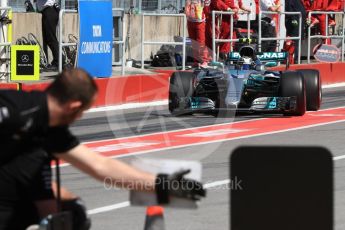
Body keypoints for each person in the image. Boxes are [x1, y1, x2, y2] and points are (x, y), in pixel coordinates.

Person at [0, 68, 206, 229]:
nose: (79, 118)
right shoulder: (15, 109)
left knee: (72, 213)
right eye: (82, 112)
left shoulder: (50, 131)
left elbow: (99, 165)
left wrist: (162, 184)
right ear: (74, 106)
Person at [35, 0, 60, 71]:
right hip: (46, 11)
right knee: (46, 39)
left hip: (50, 10)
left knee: (51, 39)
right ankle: (54, 61)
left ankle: (58, 62)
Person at [185, 0, 209, 66]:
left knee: (201, 42)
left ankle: (204, 60)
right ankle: (196, 61)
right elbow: (187, 6)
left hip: (200, 21)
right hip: (190, 21)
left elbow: (206, 6)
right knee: (193, 42)